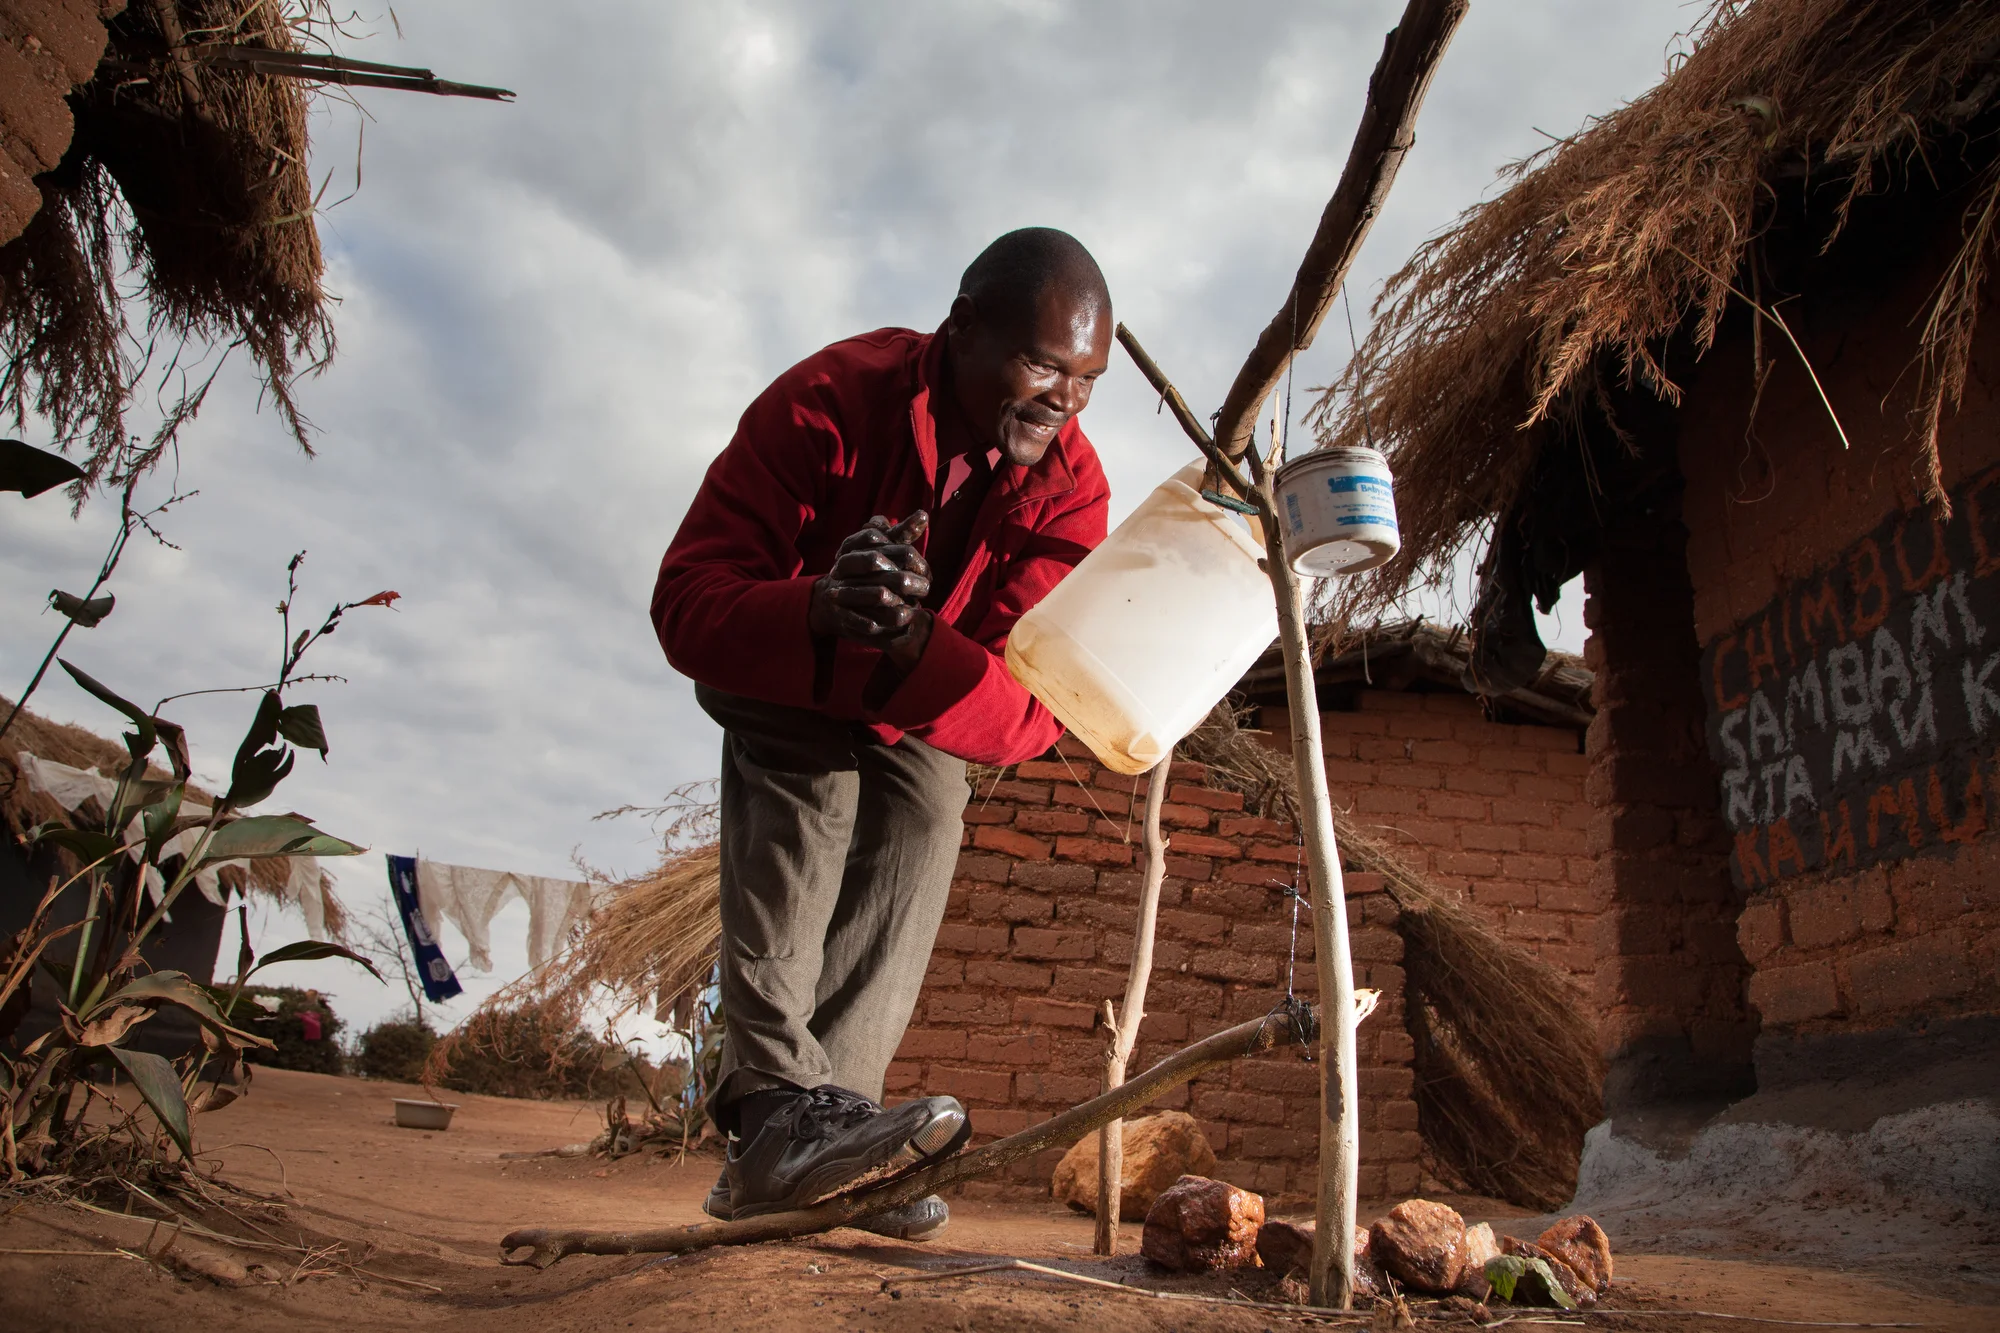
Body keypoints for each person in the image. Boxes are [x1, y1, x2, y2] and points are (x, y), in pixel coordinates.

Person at [651, 228, 1113, 1239]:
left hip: (910, 697)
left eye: (1086, 380)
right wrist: (816, 604)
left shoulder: (1071, 491)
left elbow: (1033, 714)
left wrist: (914, 638)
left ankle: (820, 1148)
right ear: (961, 330)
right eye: (1039, 363)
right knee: (810, 780)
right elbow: (684, 603)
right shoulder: (827, 402)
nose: (1060, 401)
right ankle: (778, 1108)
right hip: (786, 664)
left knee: (928, 804)